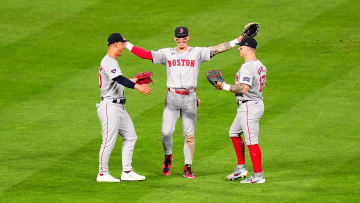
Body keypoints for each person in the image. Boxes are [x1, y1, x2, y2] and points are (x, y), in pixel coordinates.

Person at [123, 26, 243, 178]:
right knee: (166, 133)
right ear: (174, 38)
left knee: (189, 135)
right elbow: (146, 55)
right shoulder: (167, 53)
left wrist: (237, 41)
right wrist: (127, 44)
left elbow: (217, 49)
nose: (181, 40)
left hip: (189, 98)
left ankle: (188, 167)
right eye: (178, 38)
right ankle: (168, 157)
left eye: (184, 37)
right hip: (172, 98)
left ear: (188, 38)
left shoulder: (197, 52)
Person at [96, 33, 152, 182]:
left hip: (119, 107)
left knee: (131, 136)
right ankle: (102, 173)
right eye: (122, 44)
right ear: (115, 44)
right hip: (109, 106)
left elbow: (117, 80)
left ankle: (127, 171)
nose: (123, 47)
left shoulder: (113, 61)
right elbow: (118, 79)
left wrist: (134, 79)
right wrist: (138, 86)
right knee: (108, 140)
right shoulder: (108, 61)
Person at [216, 37, 267, 183]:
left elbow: (244, 88)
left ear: (247, 48)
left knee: (251, 141)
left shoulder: (247, 67)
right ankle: (241, 169)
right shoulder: (260, 65)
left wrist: (223, 86)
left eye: (241, 47)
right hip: (252, 104)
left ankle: (258, 175)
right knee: (234, 132)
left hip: (249, 106)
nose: (239, 49)